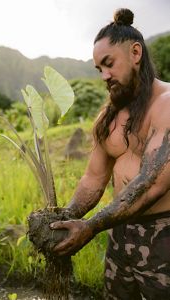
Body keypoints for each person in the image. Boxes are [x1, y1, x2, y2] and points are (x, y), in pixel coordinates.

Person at [50, 8, 170, 300]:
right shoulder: (109, 116)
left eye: (109, 64)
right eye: (98, 69)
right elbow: (93, 178)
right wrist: (63, 220)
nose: (104, 75)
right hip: (117, 233)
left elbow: (152, 184)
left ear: (136, 53)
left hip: (162, 236)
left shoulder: (166, 105)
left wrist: (89, 227)